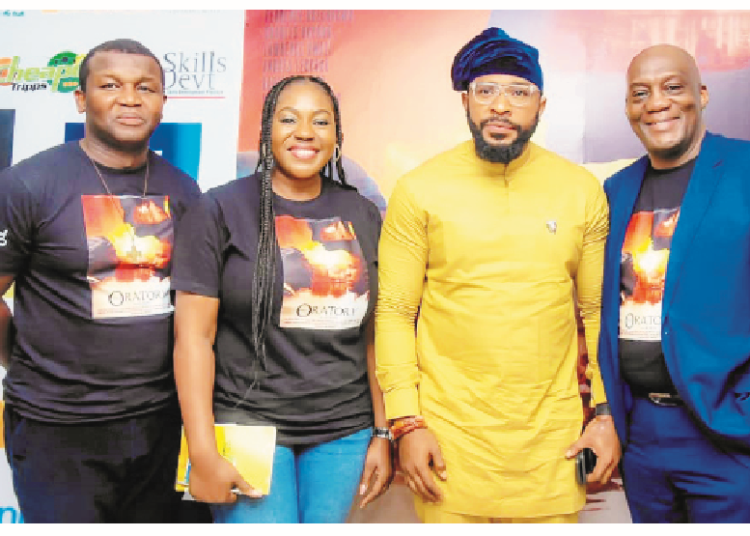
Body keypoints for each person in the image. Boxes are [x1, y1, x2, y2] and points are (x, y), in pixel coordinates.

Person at [375, 27, 620, 524]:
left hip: (553, 441)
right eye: (486, 91)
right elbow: (396, 312)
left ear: (542, 106)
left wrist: (607, 413)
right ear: (466, 101)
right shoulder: (419, 189)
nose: (501, 106)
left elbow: (597, 311)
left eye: (518, 92)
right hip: (447, 437)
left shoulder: (580, 190)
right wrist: (407, 420)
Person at [171, 74, 391, 523]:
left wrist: (384, 433)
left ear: (336, 134)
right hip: (247, 424)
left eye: (320, 121)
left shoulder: (361, 213)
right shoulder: (219, 209)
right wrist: (202, 449)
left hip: (343, 432)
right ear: (267, 129)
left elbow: (375, 335)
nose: (305, 132)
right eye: (288, 118)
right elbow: (193, 338)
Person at [0, 38, 200, 522]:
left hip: (160, 422)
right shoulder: (29, 184)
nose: (129, 98)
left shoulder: (182, 188)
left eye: (145, 88)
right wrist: (21, 358)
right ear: (81, 98)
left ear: (162, 103)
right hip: (59, 427)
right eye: (110, 85)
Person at [598, 44, 750, 523]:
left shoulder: (744, 169)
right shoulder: (615, 190)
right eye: (639, 93)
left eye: (673, 87)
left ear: (702, 94)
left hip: (727, 431)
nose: (655, 103)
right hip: (640, 434)